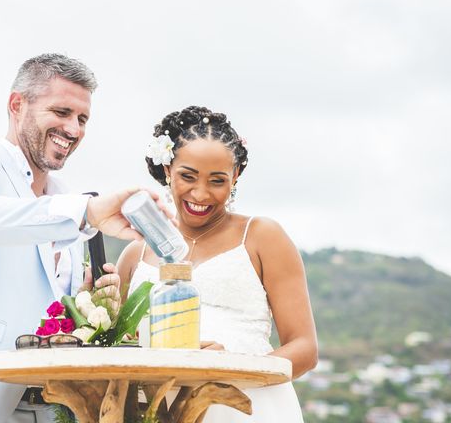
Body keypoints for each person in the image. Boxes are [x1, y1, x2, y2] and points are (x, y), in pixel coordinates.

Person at [0, 54, 167, 423]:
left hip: (52, 409)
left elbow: (50, 307)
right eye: (61, 112)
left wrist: (88, 304)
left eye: (82, 119)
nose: (73, 129)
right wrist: (84, 213)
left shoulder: (67, 199)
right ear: (17, 105)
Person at [117, 106, 318, 422]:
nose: (201, 193)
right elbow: (119, 349)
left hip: (247, 408)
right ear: (167, 168)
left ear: (235, 176)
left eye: (217, 180)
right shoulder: (134, 255)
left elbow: (305, 349)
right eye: (188, 176)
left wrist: (233, 367)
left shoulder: (262, 237)